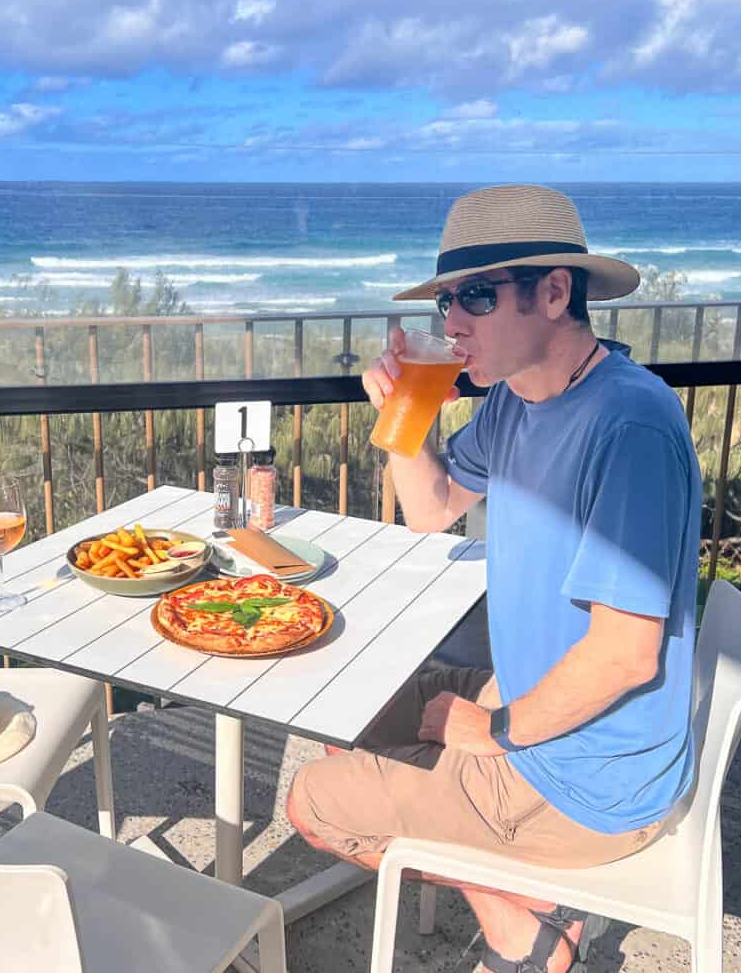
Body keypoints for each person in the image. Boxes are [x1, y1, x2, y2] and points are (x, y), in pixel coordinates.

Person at [286, 184, 703, 973]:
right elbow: (432, 509)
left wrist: (495, 732)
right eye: (447, 300)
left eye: (475, 297)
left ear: (553, 293)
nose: (451, 323)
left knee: (312, 802)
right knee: (344, 709)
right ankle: (513, 893)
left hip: (587, 777)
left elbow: (626, 656)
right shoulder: (518, 401)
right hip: (532, 697)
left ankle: (522, 922)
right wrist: (404, 415)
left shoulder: (629, 426)